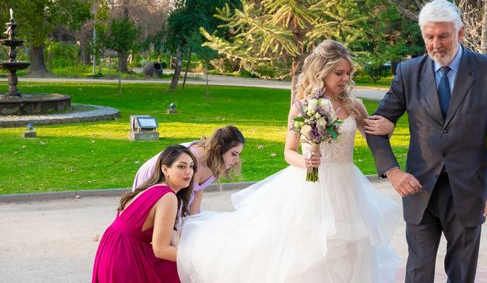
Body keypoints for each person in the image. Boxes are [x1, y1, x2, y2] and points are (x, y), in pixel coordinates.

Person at [177, 40, 400, 283]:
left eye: (348, 73)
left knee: (349, 249)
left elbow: (375, 138)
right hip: (310, 186)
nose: (345, 78)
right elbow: (288, 152)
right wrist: (306, 160)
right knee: (308, 250)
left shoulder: (354, 106)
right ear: (321, 72)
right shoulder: (302, 107)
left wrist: (388, 127)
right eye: (339, 73)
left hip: (347, 187)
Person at [365, 0, 487, 283]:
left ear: (460, 33)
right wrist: (393, 171)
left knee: (461, 274)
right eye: (429, 37)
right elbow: (373, 127)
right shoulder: (408, 73)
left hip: (467, 191)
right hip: (419, 191)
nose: (436, 43)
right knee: (418, 273)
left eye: (443, 36)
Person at [92, 145, 197, 283]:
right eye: (181, 167)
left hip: (112, 247)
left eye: (191, 166)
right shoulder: (167, 197)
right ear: (165, 169)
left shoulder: (153, 188)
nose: (188, 172)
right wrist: (197, 260)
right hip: (125, 255)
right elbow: (161, 250)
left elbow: (167, 234)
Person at [132, 125, 245, 214]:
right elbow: (171, 196)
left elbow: (197, 192)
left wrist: (193, 223)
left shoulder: (216, 163)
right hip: (154, 180)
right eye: (234, 154)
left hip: (174, 193)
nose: (236, 160)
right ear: (219, 149)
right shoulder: (192, 160)